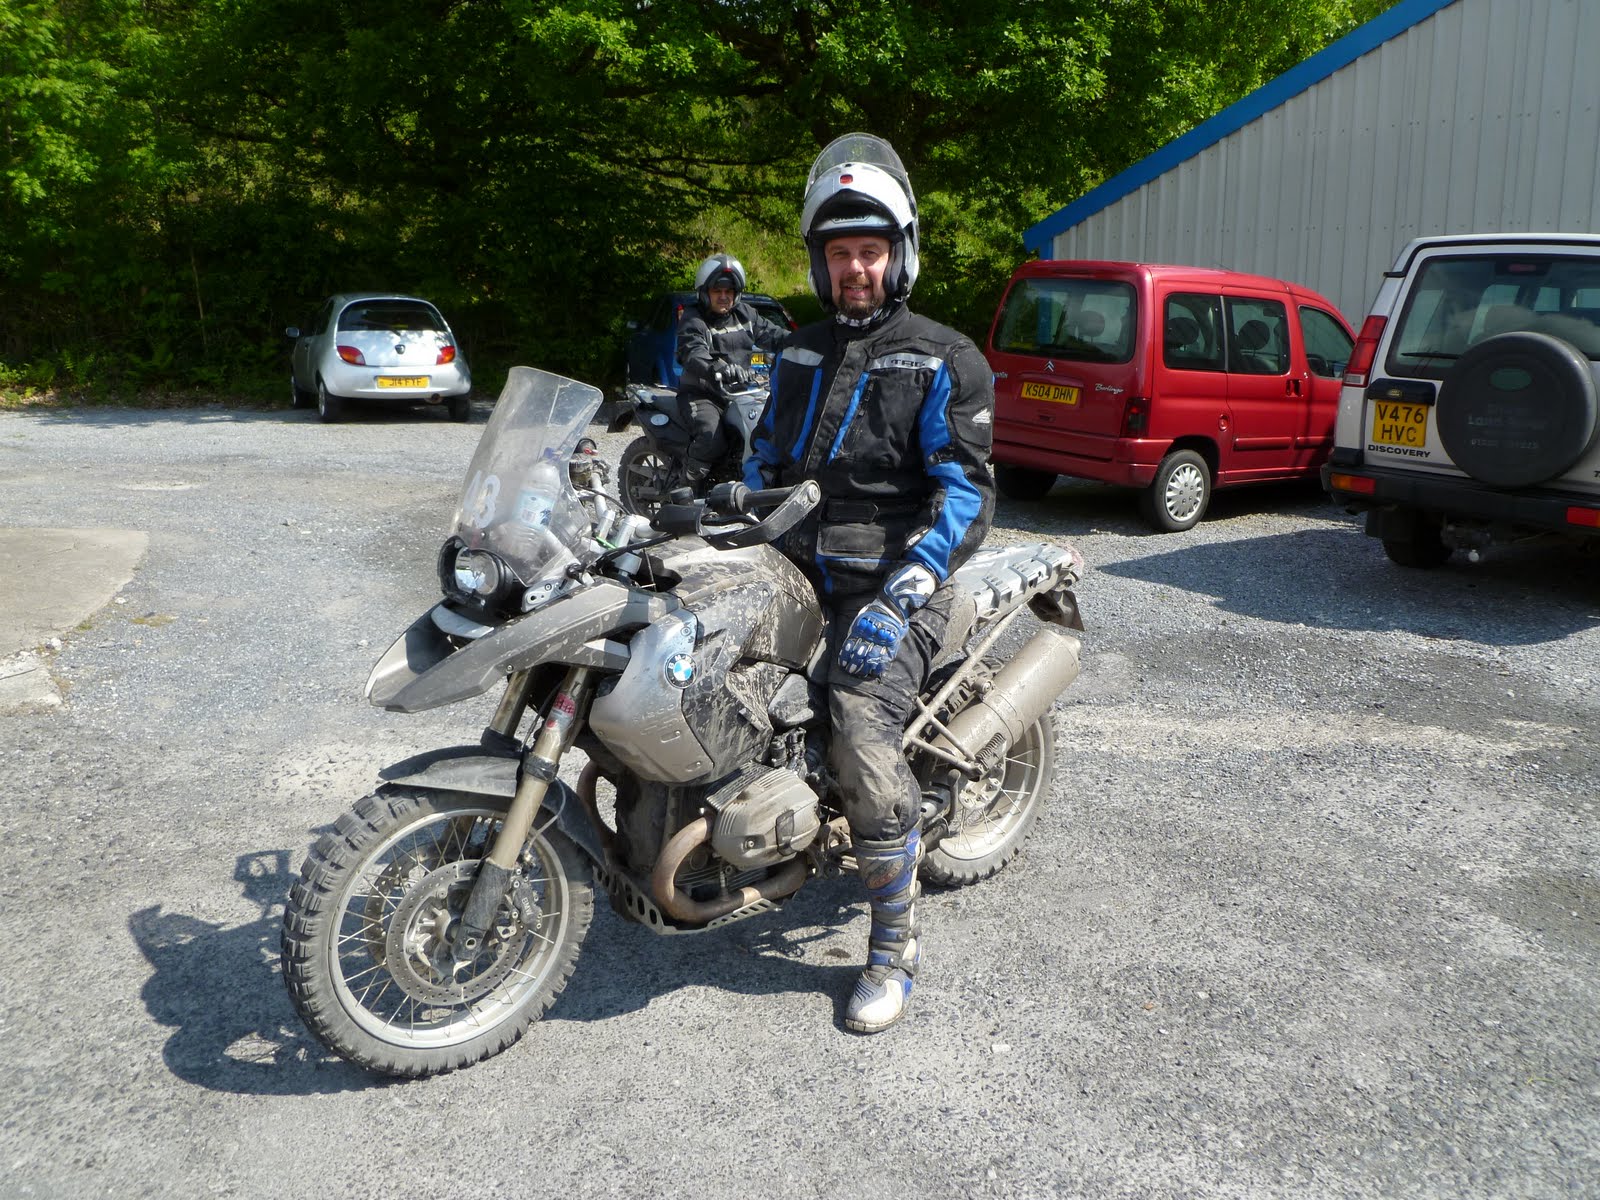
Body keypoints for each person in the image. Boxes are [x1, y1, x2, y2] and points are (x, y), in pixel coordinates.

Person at [742, 134, 995, 1033]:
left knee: (856, 723)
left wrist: (903, 590)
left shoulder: (944, 356)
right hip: (797, 566)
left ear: (900, 256)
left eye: (871, 252)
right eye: (841, 252)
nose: (856, 268)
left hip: (894, 578)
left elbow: (967, 490)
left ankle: (892, 949)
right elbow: (763, 458)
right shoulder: (798, 354)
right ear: (821, 261)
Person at [674, 253, 791, 485]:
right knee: (711, 436)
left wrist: (805, 344)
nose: (724, 297)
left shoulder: (745, 314)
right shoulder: (693, 318)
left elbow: (775, 336)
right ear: (705, 291)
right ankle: (684, 489)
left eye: (729, 292)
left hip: (742, 392)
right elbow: (693, 351)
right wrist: (718, 368)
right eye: (718, 291)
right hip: (703, 393)